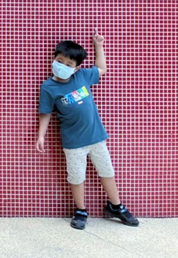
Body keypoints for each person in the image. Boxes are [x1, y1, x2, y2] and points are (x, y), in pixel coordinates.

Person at [36, 32, 139, 229]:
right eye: (59, 61)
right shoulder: (48, 87)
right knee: (76, 176)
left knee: (107, 171)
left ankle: (116, 206)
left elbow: (101, 68)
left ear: (76, 68)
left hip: (96, 138)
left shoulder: (82, 76)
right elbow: (46, 112)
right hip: (73, 143)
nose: (62, 66)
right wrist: (41, 135)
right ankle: (81, 210)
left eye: (68, 64)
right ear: (53, 59)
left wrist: (98, 46)